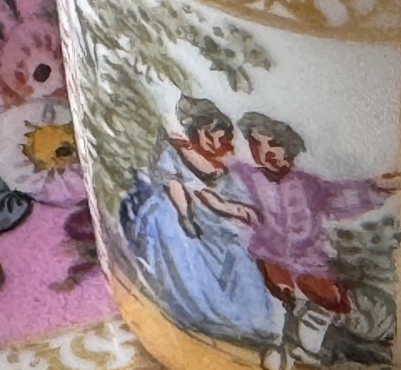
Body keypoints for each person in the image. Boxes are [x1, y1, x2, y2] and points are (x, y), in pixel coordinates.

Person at [233, 113, 397, 370]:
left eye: (274, 144)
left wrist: (375, 188)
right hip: (269, 257)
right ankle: (277, 345)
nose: (267, 153)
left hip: (310, 263)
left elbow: (341, 197)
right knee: (278, 300)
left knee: (326, 300)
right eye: (257, 145)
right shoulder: (247, 178)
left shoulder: (308, 185)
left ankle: (307, 350)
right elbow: (220, 186)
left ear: (289, 146)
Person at [118, 98, 282, 346]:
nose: (216, 143)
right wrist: (185, 216)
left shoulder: (223, 159)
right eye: (209, 137)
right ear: (196, 134)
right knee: (180, 241)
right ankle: (203, 314)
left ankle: (252, 323)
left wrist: (235, 210)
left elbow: (216, 194)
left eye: (220, 137)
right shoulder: (173, 155)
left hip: (213, 216)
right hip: (181, 211)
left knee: (237, 255)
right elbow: (178, 190)